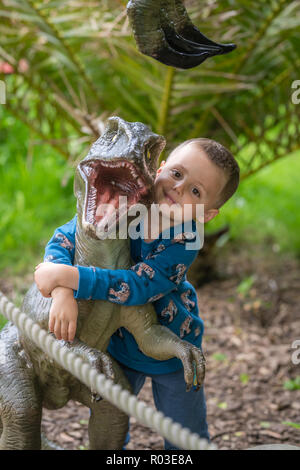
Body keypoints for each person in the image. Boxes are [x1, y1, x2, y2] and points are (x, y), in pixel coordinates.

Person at [34, 137, 240, 449]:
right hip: (117, 343)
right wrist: (62, 290)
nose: (179, 188)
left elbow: (137, 286)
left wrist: (73, 277)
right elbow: (69, 236)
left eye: (196, 192)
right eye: (176, 173)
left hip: (169, 347)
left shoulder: (185, 240)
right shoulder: (126, 201)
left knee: (184, 430)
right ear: (158, 170)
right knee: (110, 417)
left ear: (207, 214)